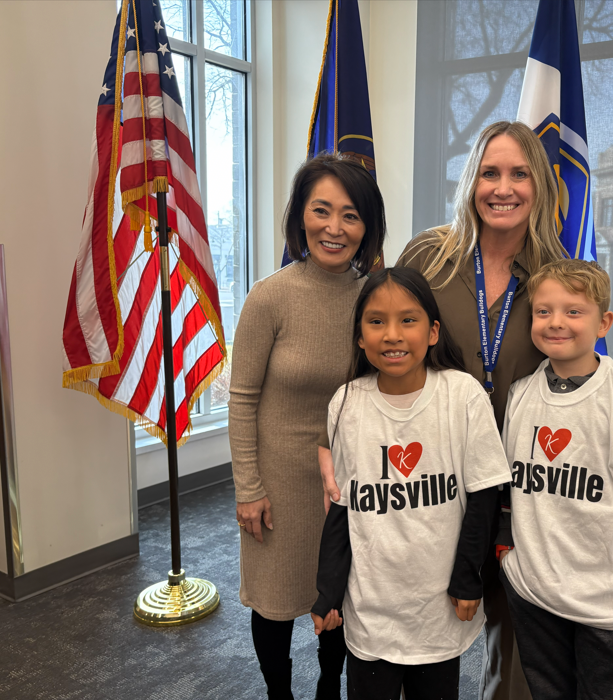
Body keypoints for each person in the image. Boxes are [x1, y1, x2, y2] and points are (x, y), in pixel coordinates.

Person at [320, 120, 564, 700]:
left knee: (516, 638)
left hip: (527, 478)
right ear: (470, 182)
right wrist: (332, 441)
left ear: (539, 185)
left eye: (519, 174)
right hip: (429, 484)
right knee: (428, 620)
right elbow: (380, 335)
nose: (502, 188)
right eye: (489, 172)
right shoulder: (431, 254)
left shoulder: (554, 273)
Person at [311, 267, 511, 700]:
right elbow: (343, 510)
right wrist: (328, 590)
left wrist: (467, 580)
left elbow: (483, 498)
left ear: (433, 331)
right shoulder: (345, 403)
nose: (392, 335)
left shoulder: (462, 396)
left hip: (436, 609)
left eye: (409, 320)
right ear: (360, 337)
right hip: (371, 610)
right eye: (376, 321)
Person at [229, 152, 386, 699]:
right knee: (274, 607)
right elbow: (242, 398)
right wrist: (248, 488)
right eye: (322, 211)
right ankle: (279, 694)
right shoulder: (269, 297)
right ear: (301, 217)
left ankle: (327, 684)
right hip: (276, 487)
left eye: (351, 215)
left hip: (348, 481)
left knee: (340, 600)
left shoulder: (374, 298)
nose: (334, 228)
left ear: (367, 226)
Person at [498, 259, 613, 700]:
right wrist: (505, 555)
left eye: (574, 311)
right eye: (543, 311)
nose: (556, 322)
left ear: (603, 322)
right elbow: (507, 490)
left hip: (604, 603)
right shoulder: (520, 394)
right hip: (533, 591)